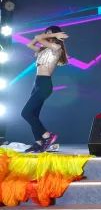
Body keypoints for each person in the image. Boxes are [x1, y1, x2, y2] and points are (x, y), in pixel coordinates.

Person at [21, 25, 69, 153]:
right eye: (46, 33)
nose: (47, 35)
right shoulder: (43, 49)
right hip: (37, 83)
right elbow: (30, 44)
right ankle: (38, 142)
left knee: (26, 113)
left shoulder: (56, 48)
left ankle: (47, 136)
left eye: (50, 33)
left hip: (44, 84)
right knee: (33, 114)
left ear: (56, 35)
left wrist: (52, 35)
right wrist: (52, 34)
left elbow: (38, 37)